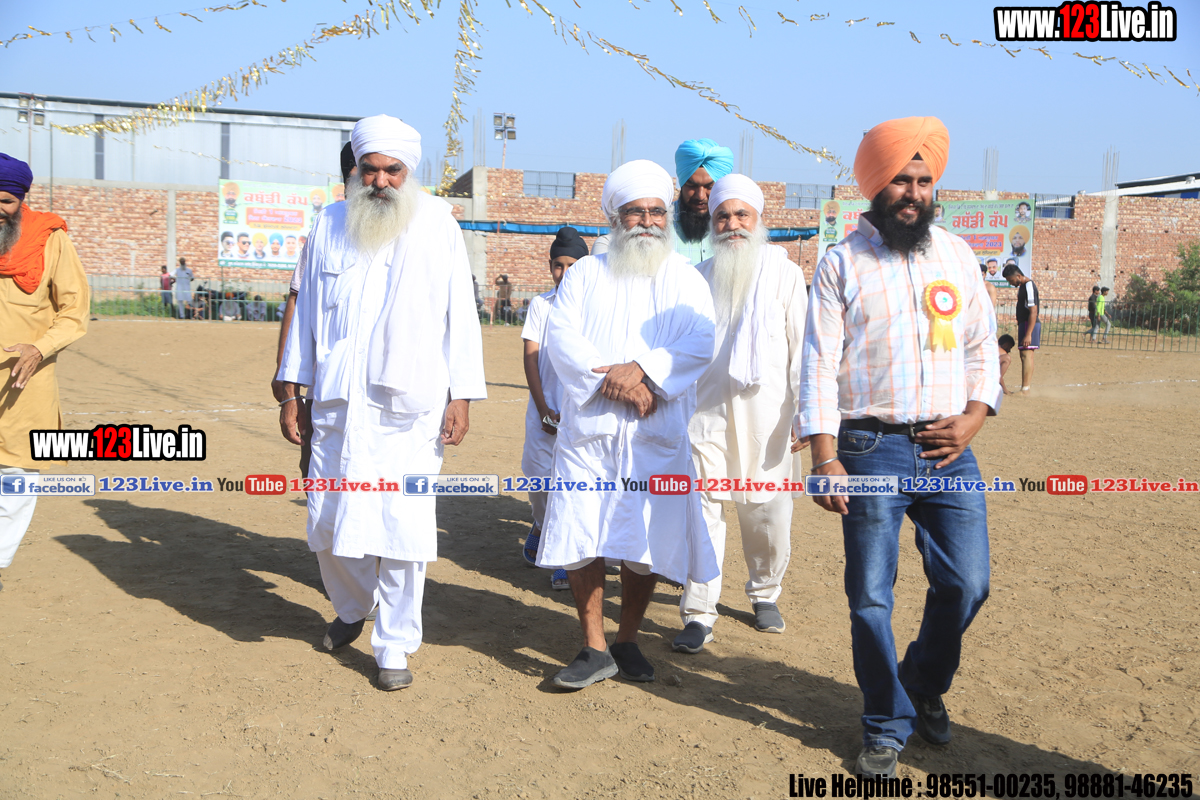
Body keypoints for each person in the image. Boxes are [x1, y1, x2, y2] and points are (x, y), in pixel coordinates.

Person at [799, 116, 1001, 778]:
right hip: (868, 447)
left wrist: (974, 416)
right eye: (900, 180)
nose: (913, 192)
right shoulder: (841, 263)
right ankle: (885, 724)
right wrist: (824, 456)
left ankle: (921, 683)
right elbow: (817, 366)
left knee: (968, 583)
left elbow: (982, 346)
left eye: (923, 180)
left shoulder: (957, 255)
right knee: (870, 597)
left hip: (949, 448)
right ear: (875, 185)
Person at [278, 114, 486, 692]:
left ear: (409, 171)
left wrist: (462, 395)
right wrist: (292, 391)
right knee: (326, 519)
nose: (380, 181)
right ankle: (354, 607)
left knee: (402, 528)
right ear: (355, 171)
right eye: (369, 170)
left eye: (392, 170)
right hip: (338, 402)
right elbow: (306, 316)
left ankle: (394, 645)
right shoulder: (328, 223)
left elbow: (460, 315)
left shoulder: (438, 224)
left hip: (409, 409)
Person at [537, 159, 718, 690]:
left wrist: (643, 370)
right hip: (589, 433)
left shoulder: (686, 279)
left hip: (654, 432)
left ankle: (628, 639)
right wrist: (612, 382)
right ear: (615, 218)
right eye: (635, 212)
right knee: (581, 533)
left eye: (656, 211)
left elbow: (701, 343)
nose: (647, 221)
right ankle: (593, 646)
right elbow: (561, 338)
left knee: (647, 538)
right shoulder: (585, 275)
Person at [672, 174, 807, 654]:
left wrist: (806, 413)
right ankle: (698, 611)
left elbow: (802, 348)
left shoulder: (785, 275)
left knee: (766, 515)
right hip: (704, 416)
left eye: (741, 215)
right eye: (723, 216)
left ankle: (765, 592)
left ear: (758, 219)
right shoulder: (697, 279)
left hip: (769, 419)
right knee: (701, 512)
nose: (732, 225)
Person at [0, 153, 89, 589]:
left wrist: (39, 347)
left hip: (23, 385)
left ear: (21, 201)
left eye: (6, 202)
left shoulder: (50, 240)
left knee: (15, 478)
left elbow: (74, 312)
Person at [274, 141, 357, 478]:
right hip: (323, 389)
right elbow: (297, 301)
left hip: (384, 398)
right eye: (364, 172)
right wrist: (286, 382)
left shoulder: (409, 231)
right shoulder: (325, 228)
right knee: (317, 476)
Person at [520, 226, 588, 591]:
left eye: (572, 265)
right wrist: (543, 408)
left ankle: (563, 558)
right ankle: (541, 523)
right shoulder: (541, 305)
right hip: (543, 412)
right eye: (558, 265)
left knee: (572, 486)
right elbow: (531, 359)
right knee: (538, 479)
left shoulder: (593, 310)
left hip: (580, 415)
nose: (564, 273)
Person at [590, 138, 734, 265]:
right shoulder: (655, 224)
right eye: (692, 186)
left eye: (709, 187)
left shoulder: (735, 227)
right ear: (681, 184)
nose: (700, 196)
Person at [1003, 263, 1039, 392]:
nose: (1010, 283)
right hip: (1025, 324)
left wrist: (1028, 333)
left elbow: (1033, 311)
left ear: (1018, 276)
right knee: (1024, 355)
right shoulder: (1023, 286)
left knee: (1026, 355)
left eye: (1011, 280)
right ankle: (1025, 387)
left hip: (1029, 324)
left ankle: (1025, 389)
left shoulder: (1028, 286)